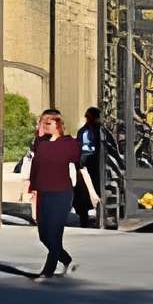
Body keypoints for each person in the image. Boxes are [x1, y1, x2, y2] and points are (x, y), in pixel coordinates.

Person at [17, 109, 96, 278]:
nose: (44, 125)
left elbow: (81, 167)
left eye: (48, 122)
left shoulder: (70, 144)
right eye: (42, 122)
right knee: (43, 235)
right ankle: (66, 259)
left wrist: (91, 192)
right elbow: (35, 163)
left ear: (58, 125)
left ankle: (48, 272)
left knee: (55, 232)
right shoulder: (40, 143)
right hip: (44, 193)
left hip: (62, 193)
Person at [75, 105, 107, 230]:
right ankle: (86, 219)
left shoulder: (92, 131)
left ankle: (93, 218)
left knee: (89, 194)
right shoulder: (88, 131)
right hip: (91, 166)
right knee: (85, 195)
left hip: (93, 166)